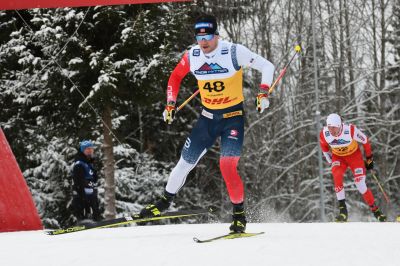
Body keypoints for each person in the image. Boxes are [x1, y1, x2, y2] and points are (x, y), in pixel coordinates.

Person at [139, 14, 275, 233]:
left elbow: (267, 66)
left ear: (217, 36)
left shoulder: (233, 51)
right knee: (185, 162)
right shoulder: (192, 55)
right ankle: (163, 203)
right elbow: (174, 78)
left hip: (232, 118)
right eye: (199, 37)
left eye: (208, 37)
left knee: (227, 165)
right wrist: (170, 105)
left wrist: (263, 93)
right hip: (208, 119)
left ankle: (239, 215)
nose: (203, 42)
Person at [319, 113, 386, 222]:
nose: (332, 131)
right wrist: (331, 161)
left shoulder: (350, 130)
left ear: (340, 125)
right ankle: (343, 212)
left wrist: (369, 159)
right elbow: (324, 148)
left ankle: (376, 211)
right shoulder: (324, 133)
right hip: (339, 158)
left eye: (334, 128)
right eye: (330, 128)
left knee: (360, 184)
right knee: (337, 176)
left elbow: (365, 140)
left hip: (354, 157)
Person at [71, 140, 101, 222]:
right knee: (83, 210)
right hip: (82, 193)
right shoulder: (79, 163)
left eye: (91, 149)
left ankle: (97, 221)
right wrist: (82, 193)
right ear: (82, 150)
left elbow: (94, 178)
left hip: (91, 191)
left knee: (96, 210)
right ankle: (82, 222)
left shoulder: (89, 163)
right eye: (87, 149)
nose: (90, 151)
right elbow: (77, 181)